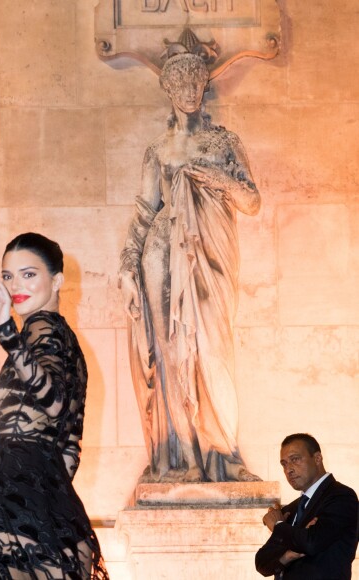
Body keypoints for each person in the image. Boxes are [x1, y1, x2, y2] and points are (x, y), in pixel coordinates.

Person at [119, 48, 262, 483]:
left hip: (211, 256)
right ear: (167, 90)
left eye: (195, 83)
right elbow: (145, 211)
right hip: (161, 253)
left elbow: (251, 201)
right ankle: (185, 458)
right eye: (179, 84)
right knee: (171, 353)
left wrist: (213, 177)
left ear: (203, 85)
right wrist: (127, 264)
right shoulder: (159, 149)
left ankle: (226, 455)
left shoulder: (224, 142)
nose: (188, 92)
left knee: (215, 349)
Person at [0, 232, 108, 579]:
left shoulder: (40, 329)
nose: (16, 285)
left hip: (16, 508)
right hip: (43, 508)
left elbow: (56, 403)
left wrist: (5, 333)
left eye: (28, 274)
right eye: (7, 276)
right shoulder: (64, 339)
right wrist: (49, 501)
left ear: (57, 280)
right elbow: (70, 446)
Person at [256, 433, 359, 579]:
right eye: (284, 464)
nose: (288, 470)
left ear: (317, 458)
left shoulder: (341, 496)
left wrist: (278, 525)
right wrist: (288, 555)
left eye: (295, 459)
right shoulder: (290, 510)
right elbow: (261, 563)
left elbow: (312, 543)